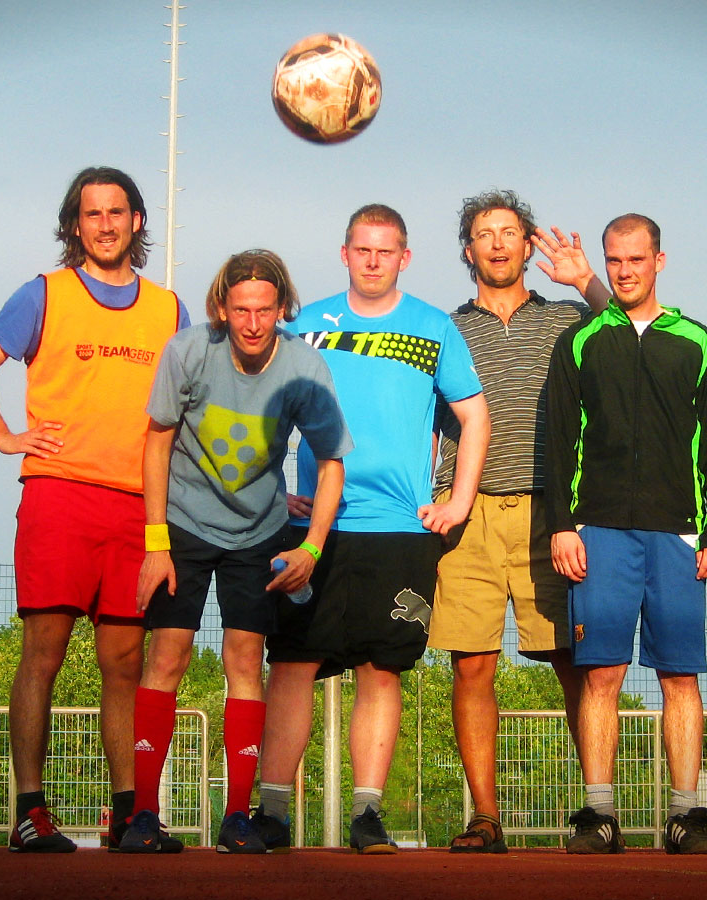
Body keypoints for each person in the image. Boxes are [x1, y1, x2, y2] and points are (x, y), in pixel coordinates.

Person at [0, 166, 189, 853]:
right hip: (59, 495)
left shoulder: (168, 309)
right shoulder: (44, 293)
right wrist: (6, 436)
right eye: (92, 214)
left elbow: (189, 411)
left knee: (124, 662)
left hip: (138, 506)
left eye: (117, 212)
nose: (106, 225)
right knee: (44, 654)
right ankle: (30, 811)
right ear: (75, 225)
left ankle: (127, 815)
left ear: (137, 221)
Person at [256, 204, 490, 854]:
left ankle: (367, 815)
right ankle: (271, 813)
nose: (373, 261)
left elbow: (475, 416)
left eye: (386, 251)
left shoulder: (434, 327)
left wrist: (458, 502)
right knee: (293, 664)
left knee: (380, 669)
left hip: (399, 531)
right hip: (314, 528)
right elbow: (261, 413)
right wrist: (272, 493)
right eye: (362, 249)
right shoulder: (305, 326)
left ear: (404, 258)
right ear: (345, 253)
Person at [123, 250, 351, 854]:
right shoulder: (188, 351)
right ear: (222, 307)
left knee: (245, 662)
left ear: (282, 309)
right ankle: (143, 816)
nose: (252, 323)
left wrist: (311, 547)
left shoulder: (304, 367)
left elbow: (332, 462)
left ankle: (236, 819)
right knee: (166, 657)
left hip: (257, 532)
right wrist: (155, 542)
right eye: (241, 309)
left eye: (264, 311)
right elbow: (156, 442)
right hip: (184, 524)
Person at [428, 190, 613, 853]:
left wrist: (587, 281)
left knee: (572, 662)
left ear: (529, 245)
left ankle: (598, 812)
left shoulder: (568, 317)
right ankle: (485, 817)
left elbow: (633, 336)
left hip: (552, 515)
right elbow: (426, 420)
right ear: (468, 250)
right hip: (467, 514)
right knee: (472, 666)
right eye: (485, 233)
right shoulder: (444, 327)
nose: (499, 243)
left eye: (510, 231)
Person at [545, 213, 707, 855]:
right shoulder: (580, 342)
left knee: (680, 677)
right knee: (602, 674)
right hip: (598, 532)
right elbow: (557, 441)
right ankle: (599, 814)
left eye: (636, 259)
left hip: (678, 535)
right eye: (614, 260)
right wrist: (562, 525)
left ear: (659, 260)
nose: (625, 271)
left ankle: (687, 814)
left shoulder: (697, 341)